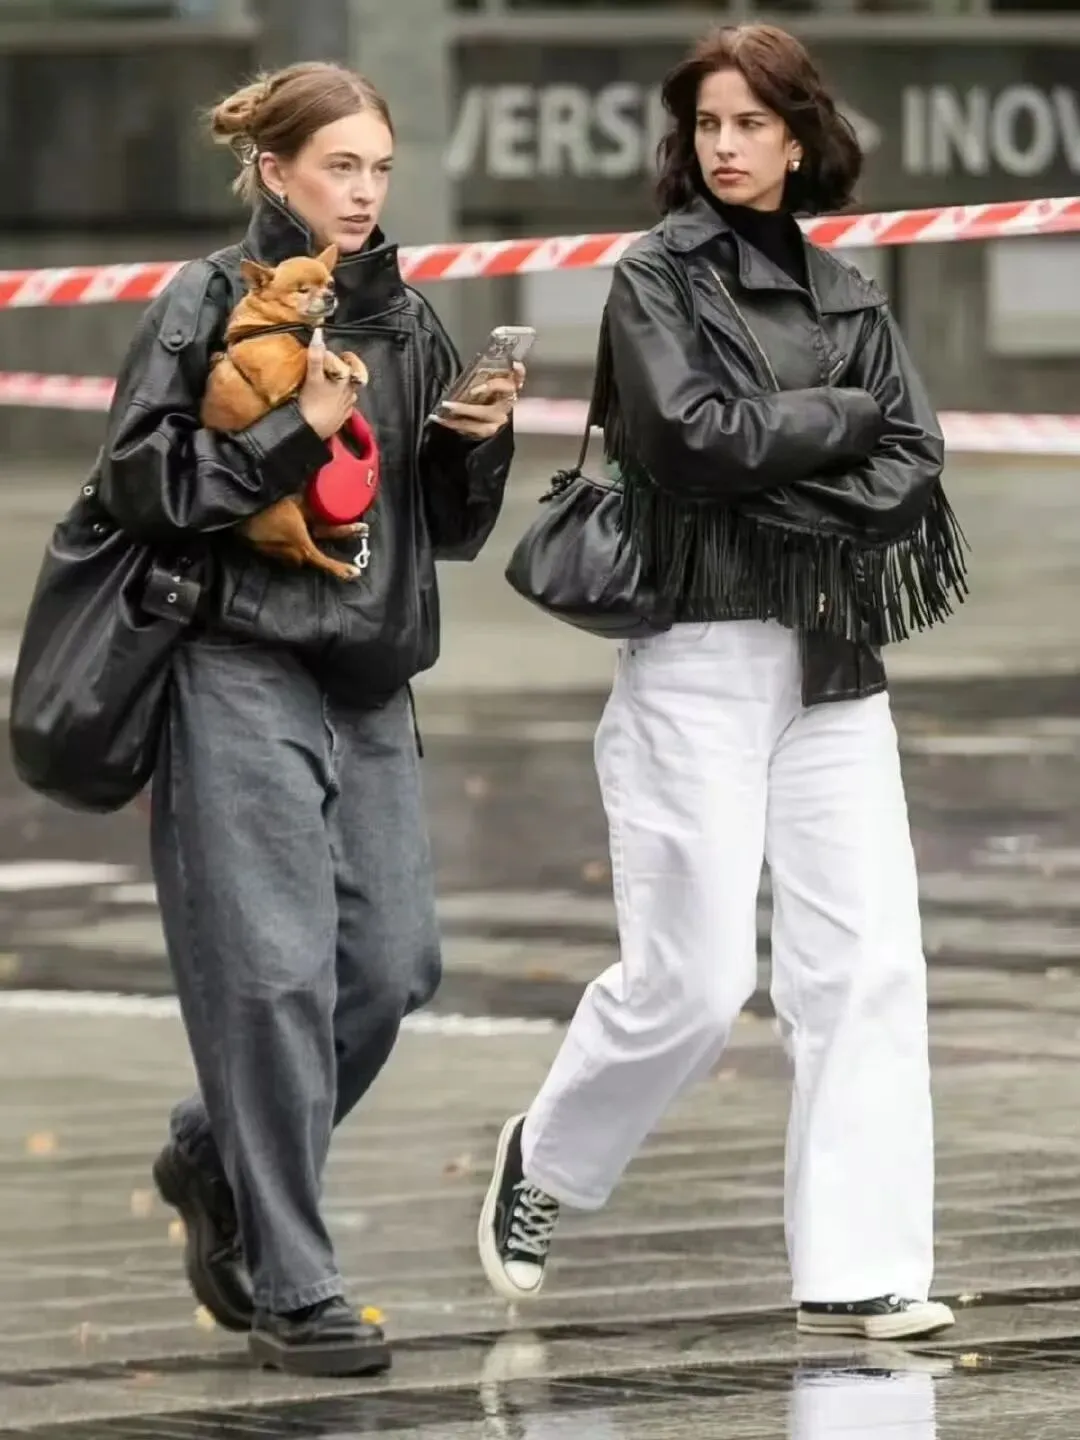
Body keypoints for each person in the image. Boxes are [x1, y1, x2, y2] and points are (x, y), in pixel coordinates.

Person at [479, 23, 967, 1343]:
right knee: (693, 984)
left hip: (834, 660)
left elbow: (914, 463)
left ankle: (861, 1267)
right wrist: (842, 420)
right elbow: (692, 442)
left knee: (867, 967)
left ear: (799, 139)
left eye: (751, 123)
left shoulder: (848, 289)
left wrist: (794, 470)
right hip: (693, 653)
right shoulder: (657, 276)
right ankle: (546, 1154)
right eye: (708, 125)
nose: (727, 146)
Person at [97, 62, 520, 1378]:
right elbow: (140, 482)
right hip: (236, 664)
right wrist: (292, 432)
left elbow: (441, 531)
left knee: (392, 969)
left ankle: (213, 1152)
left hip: (369, 676)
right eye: (340, 166)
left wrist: (470, 446)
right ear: (276, 172)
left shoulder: (405, 318)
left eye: (379, 168)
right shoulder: (205, 301)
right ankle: (295, 1280)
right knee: (274, 978)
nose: (364, 191)